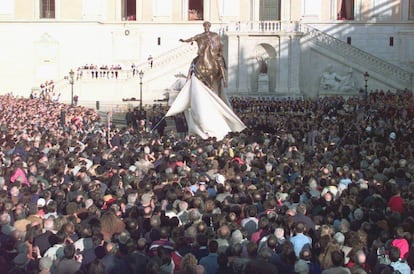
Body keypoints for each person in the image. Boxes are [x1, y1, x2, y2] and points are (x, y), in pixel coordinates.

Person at [179, 21, 227, 93]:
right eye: (205, 26)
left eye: (207, 26)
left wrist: (220, 51)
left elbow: (220, 43)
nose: (206, 28)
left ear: (209, 27)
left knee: (220, 62)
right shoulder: (201, 35)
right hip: (202, 54)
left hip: (213, 54)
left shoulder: (214, 35)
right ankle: (189, 78)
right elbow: (192, 38)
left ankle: (224, 80)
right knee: (193, 62)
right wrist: (185, 40)